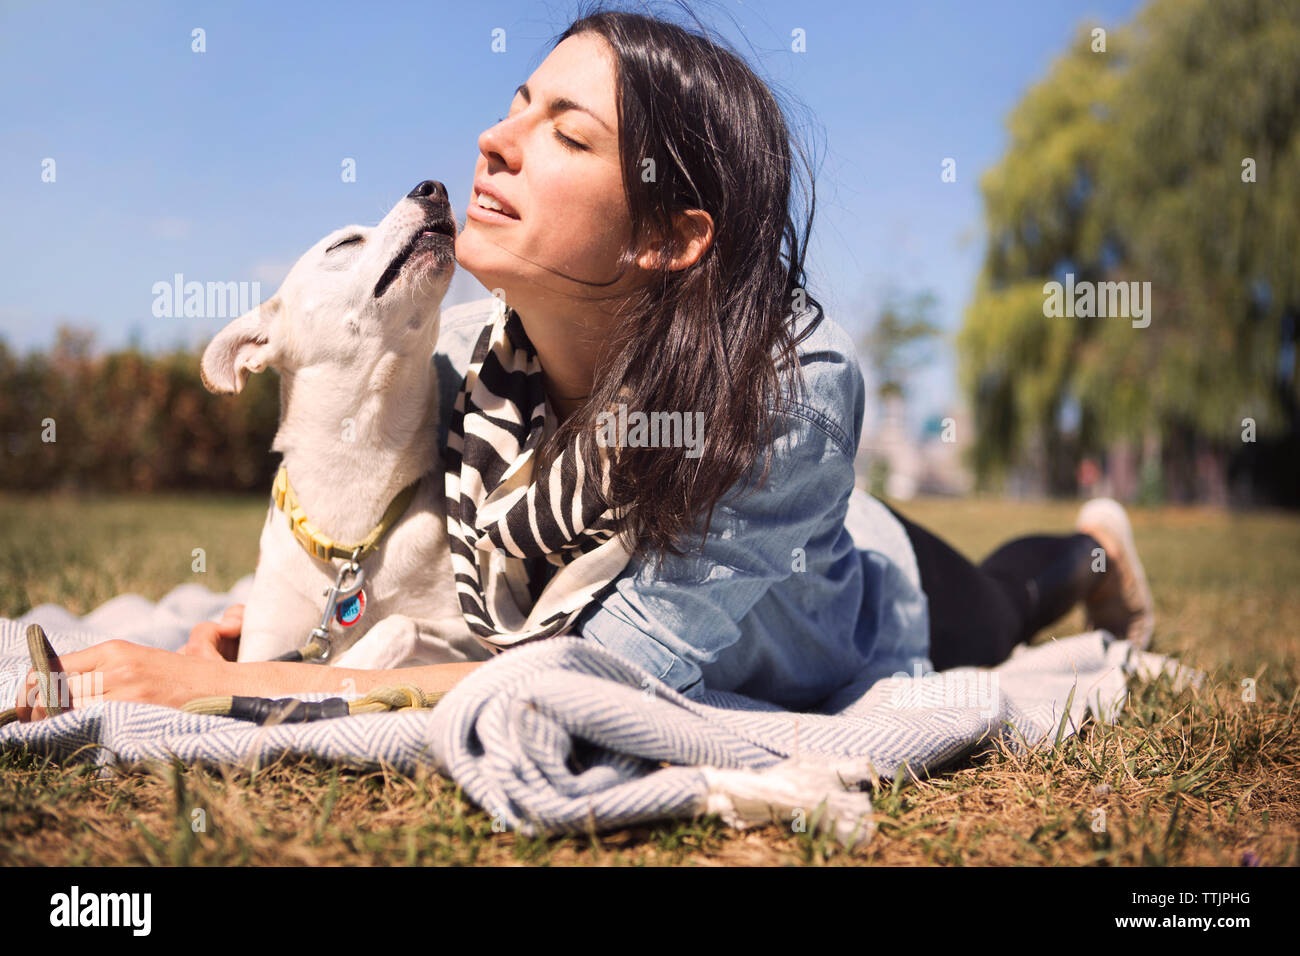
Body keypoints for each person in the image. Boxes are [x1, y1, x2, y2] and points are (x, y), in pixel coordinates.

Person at [14, 8, 1153, 720]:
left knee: (1014, 592)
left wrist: (225, 688)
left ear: (668, 237)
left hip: (855, 594)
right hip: (776, 525)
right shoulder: (468, 361)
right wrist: (290, 633)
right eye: (515, 106)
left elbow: (581, 677)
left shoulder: (787, 396)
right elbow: (365, 525)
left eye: (566, 133)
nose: (492, 143)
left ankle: (1097, 553)